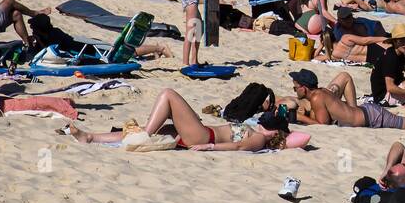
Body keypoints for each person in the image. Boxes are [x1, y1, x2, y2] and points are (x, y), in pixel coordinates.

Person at [67, 88, 301, 151]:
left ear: (273, 132)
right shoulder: (258, 131)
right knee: (157, 127)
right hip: (198, 132)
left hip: (202, 136)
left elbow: (238, 146)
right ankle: (90, 137)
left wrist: (208, 146)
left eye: (266, 124)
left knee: (169, 95)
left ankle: (145, 133)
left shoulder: (259, 139)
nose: (261, 124)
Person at [289, 68, 405, 130]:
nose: (294, 88)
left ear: (304, 87)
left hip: (371, 117)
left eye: (296, 85)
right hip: (367, 111)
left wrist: (299, 118)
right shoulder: (322, 92)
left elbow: (322, 124)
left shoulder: (317, 97)